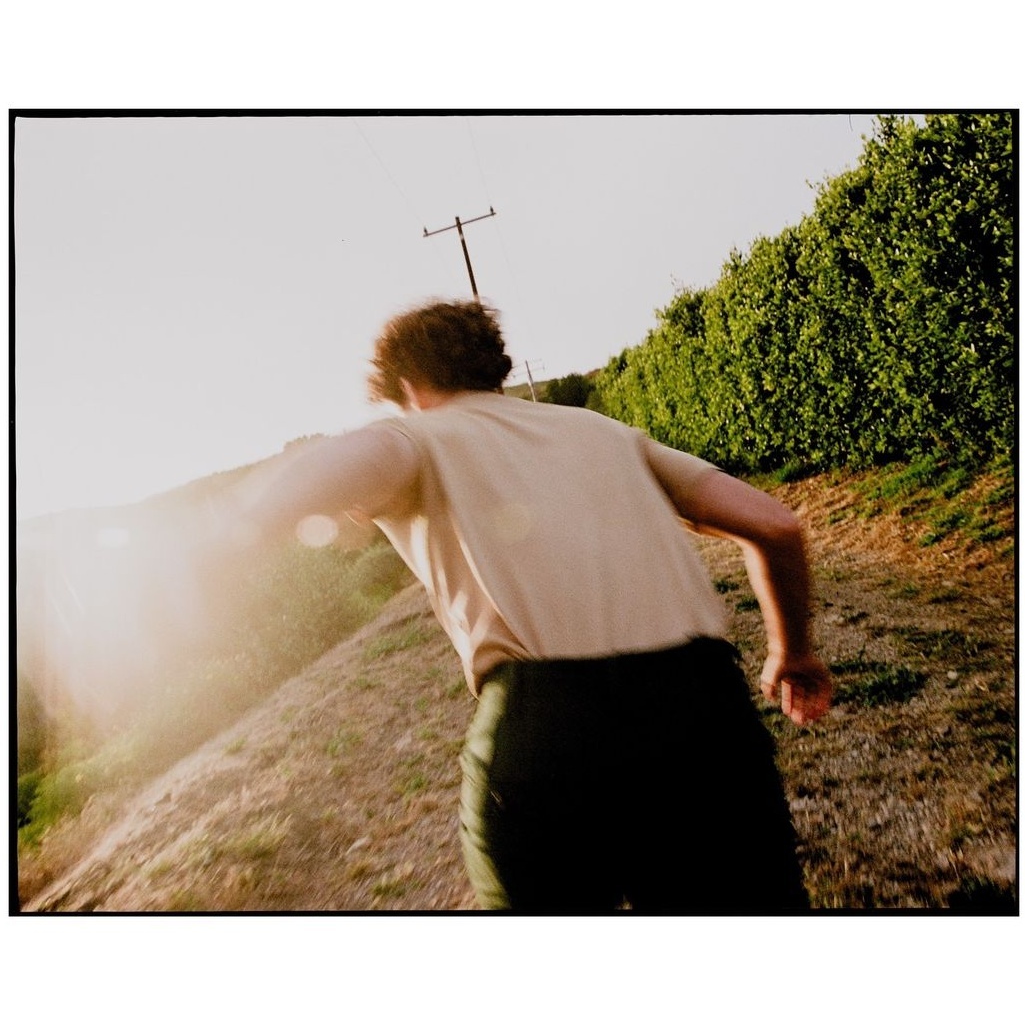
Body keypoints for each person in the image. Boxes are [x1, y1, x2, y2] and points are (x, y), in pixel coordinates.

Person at [219, 298, 832, 913]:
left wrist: (233, 533)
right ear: (493, 366)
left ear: (403, 386)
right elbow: (775, 526)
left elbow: (321, 476)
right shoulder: (606, 433)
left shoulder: (414, 436)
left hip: (548, 730)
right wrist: (792, 652)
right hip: (704, 714)